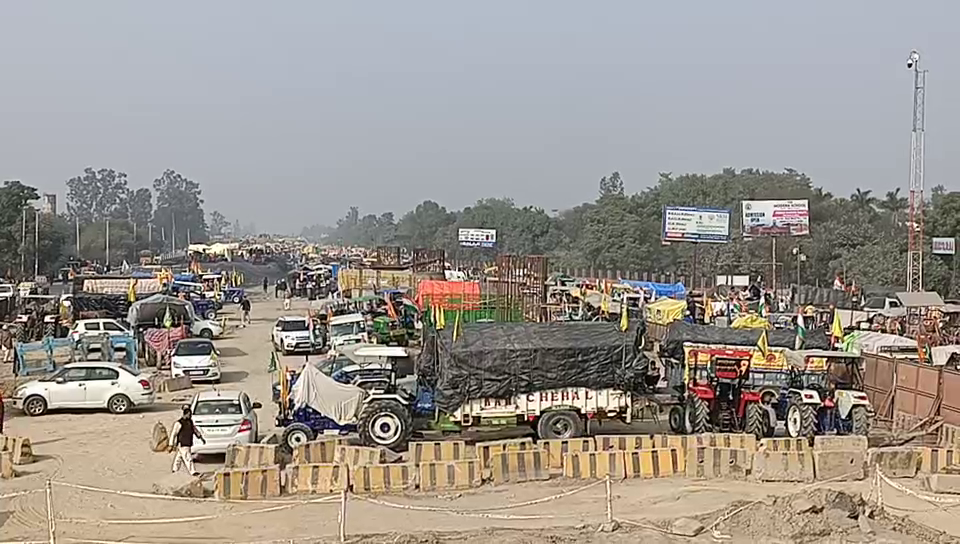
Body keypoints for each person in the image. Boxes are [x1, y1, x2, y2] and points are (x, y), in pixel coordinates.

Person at [168, 406, 206, 476]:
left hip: (187, 443)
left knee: (179, 458)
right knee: (188, 458)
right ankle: (193, 472)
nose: (190, 416)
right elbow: (173, 434)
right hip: (182, 443)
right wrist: (171, 445)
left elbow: (195, 430)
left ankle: (174, 470)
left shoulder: (190, 422)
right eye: (189, 414)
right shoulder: (179, 423)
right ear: (185, 414)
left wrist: (201, 438)